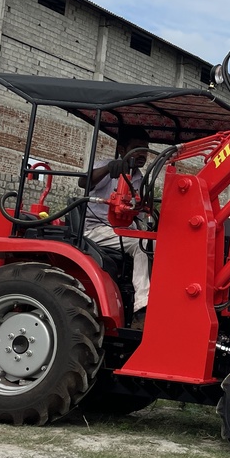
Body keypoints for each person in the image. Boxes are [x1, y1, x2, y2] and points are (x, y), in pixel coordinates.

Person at [80, 127, 151, 329]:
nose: (142, 154)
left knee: (155, 241)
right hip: (95, 229)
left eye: (145, 150)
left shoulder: (140, 178)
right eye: (137, 148)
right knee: (142, 244)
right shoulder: (104, 167)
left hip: (121, 229)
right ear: (122, 149)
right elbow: (83, 183)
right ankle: (142, 306)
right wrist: (110, 168)